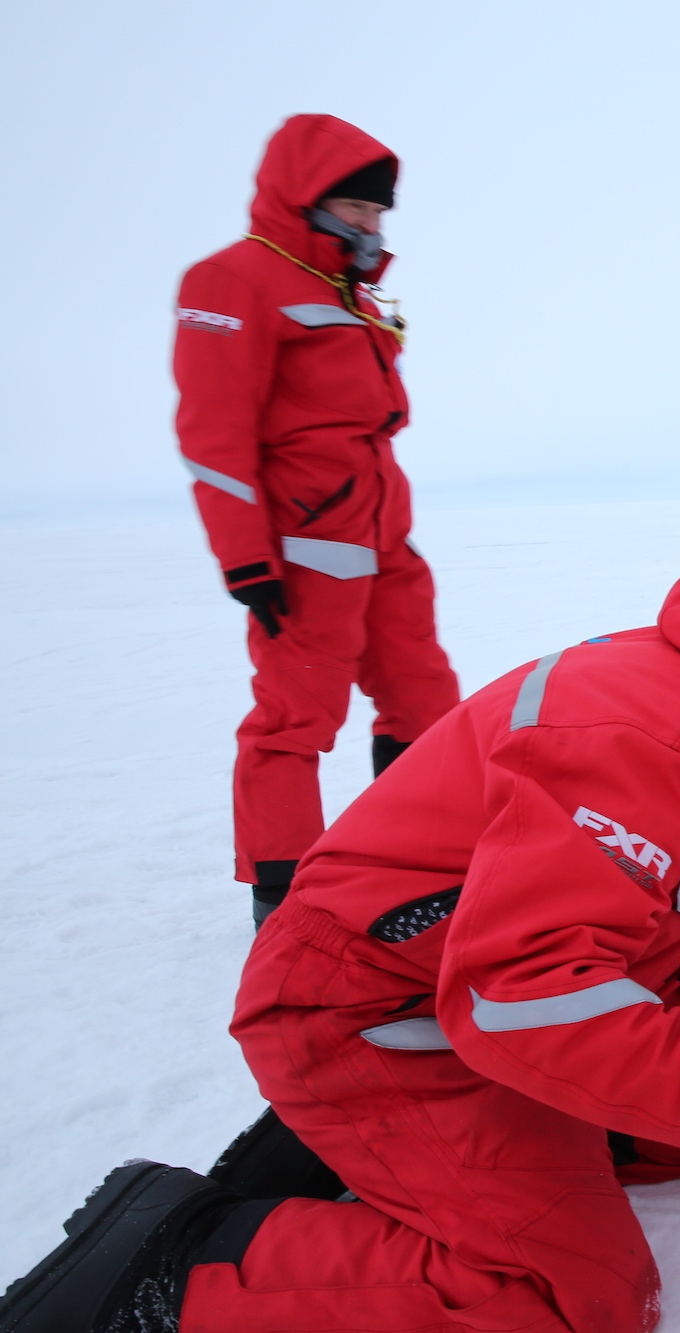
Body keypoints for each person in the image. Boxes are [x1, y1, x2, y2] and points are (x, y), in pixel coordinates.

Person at [0, 529, 680, 1333]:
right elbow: (525, 998)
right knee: (566, 1297)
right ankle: (177, 1256)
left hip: (458, 1002)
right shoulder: (652, 738)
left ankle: (387, 1162)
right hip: (367, 1011)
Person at [173, 113, 460, 926]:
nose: (372, 224)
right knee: (295, 720)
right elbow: (213, 437)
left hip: (383, 537)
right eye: (357, 209)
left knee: (427, 703)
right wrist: (246, 562)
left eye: (379, 213)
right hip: (304, 548)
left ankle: (415, 867)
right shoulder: (233, 281)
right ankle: (286, 902)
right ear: (305, 198)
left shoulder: (345, 288)